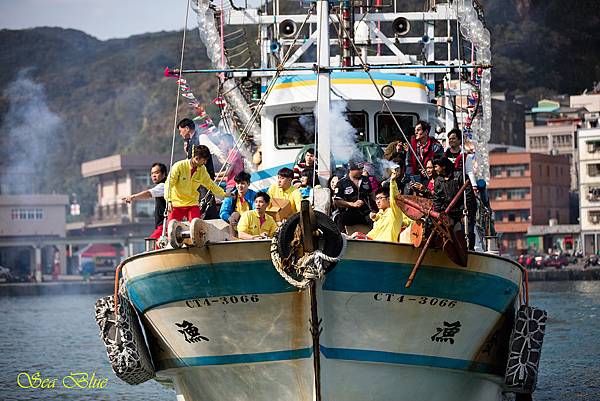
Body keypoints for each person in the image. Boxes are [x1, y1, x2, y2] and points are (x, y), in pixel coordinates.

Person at [164, 145, 228, 223]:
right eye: (204, 160)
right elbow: (169, 184)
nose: (205, 162)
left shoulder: (202, 169)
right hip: (176, 204)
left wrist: (224, 194)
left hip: (192, 204)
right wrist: (169, 200)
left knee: (196, 227)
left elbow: (210, 184)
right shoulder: (179, 166)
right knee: (171, 228)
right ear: (196, 158)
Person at [177, 118, 220, 218]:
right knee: (198, 204)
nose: (180, 134)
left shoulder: (201, 137)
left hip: (204, 179)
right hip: (195, 181)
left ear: (187, 128)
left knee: (207, 204)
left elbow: (214, 150)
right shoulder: (191, 142)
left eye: (181, 130)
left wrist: (223, 157)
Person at [432, 157, 477, 250]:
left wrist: (466, 214)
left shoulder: (460, 176)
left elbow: (469, 197)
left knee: (467, 233)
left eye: (436, 166)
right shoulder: (438, 181)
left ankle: (470, 250)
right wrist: (441, 216)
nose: (434, 169)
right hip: (448, 212)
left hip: (463, 211)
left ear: (443, 166)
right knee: (448, 235)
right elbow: (437, 200)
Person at [122, 163, 168, 239]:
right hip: (163, 226)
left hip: (163, 226)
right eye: (152, 173)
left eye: (157, 173)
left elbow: (148, 193)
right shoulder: (165, 185)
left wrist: (133, 197)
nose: (153, 175)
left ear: (164, 174)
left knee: (152, 244)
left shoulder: (163, 186)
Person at [365, 170, 413, 242]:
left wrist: (392, 181)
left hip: (387, 246)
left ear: (389, 199)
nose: (377, 201)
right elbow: (372, 234)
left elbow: (395, 198)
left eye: (380, 198)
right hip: (375, 245)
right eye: (376, 199)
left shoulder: (394, 212)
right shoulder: (379, 216)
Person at [333, 161, 373, 233]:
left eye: (362, 169)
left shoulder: (366, 180)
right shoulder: (341, 183)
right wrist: (353, 204)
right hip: (349, 213)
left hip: (365, 213)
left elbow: (372, 194)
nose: (361, 171)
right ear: (351, 169)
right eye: (359, 169)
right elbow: (337, 201)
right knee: (339, 218)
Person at [405, 120, 443, 187]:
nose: (416, 132)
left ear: (426, 132)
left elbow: (439, 164)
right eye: (415, 130)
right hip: (415, 176)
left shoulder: (436, 146)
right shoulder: (412, 145)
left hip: (431, 178)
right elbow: (408, 163)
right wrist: (411, 178)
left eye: (418, 130)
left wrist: (428, 170)